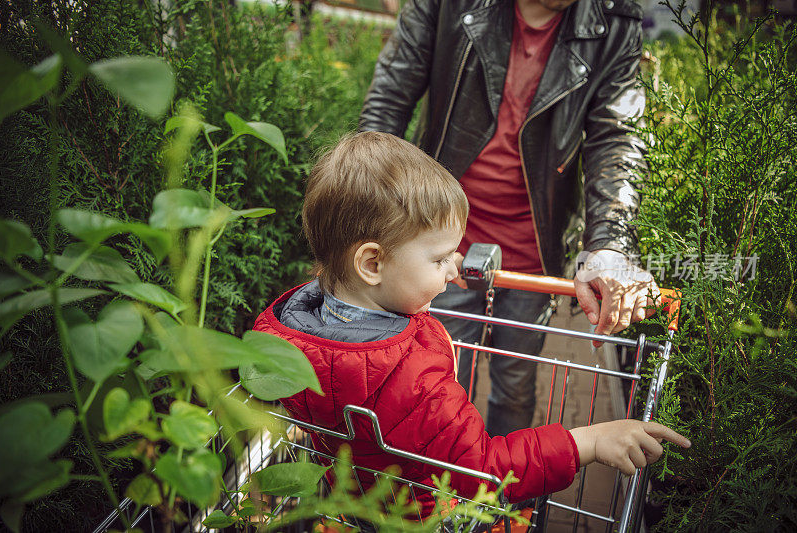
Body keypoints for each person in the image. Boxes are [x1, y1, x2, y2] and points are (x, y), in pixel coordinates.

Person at [252, 132, 689, 517]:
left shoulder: (298, 328)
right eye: (439, 258)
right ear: (371, 262)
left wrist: (431, 260)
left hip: (357, 501)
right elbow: (478, 470)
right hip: (426, 514)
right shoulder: (411, 380)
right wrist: (587, 442)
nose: (449, 271)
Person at [359, 0, 658, 436]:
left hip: (532, 249)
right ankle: (434, 498)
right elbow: (392, 91)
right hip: (439, 245)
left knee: (515, 386)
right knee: (433, 384)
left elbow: (618, 137)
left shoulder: (614, 22)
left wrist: (609, 244)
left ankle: (503, 497)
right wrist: (367, 202)